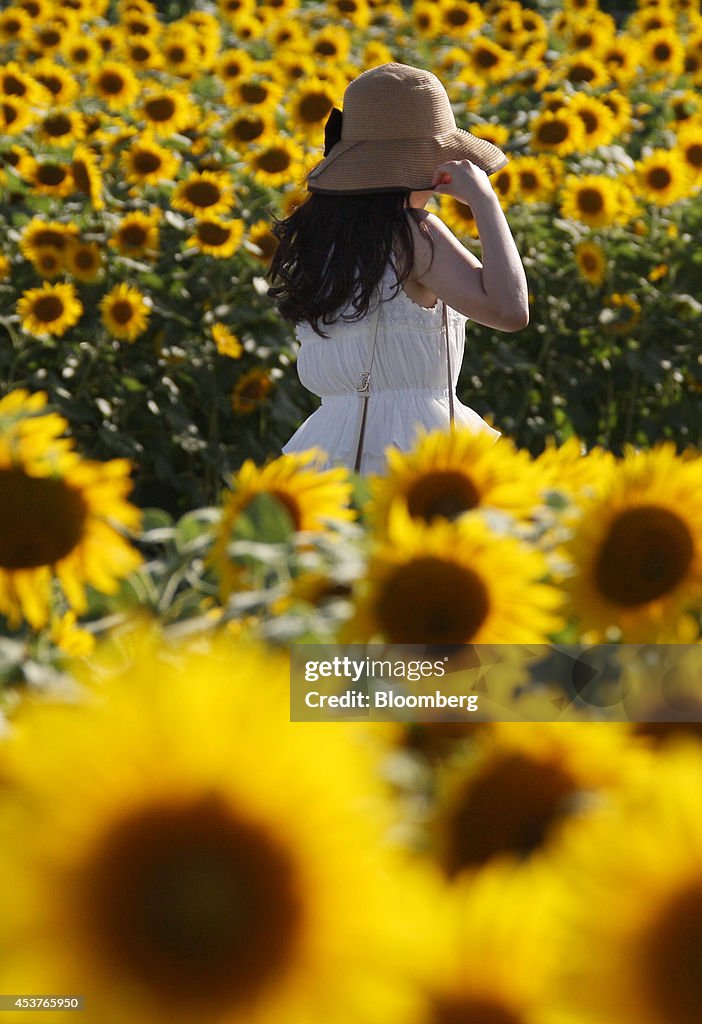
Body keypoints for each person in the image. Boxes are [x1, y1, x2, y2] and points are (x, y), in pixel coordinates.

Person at [267, 62, 529, 475]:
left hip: (327, 447)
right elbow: (509, 310)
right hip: (415, 448)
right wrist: (484, 202)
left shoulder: (320, 241)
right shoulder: (411, 235)